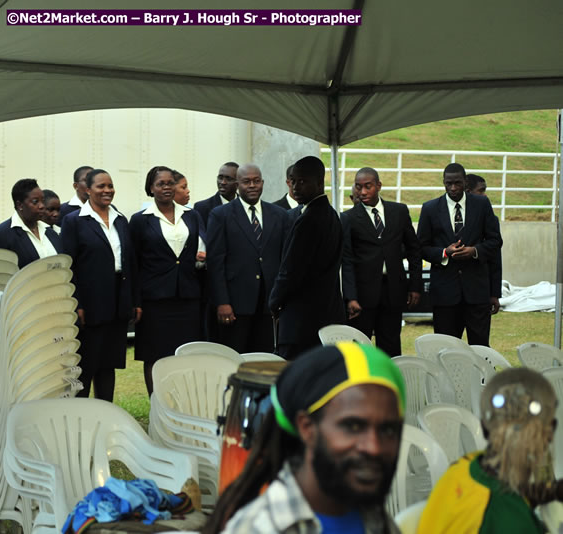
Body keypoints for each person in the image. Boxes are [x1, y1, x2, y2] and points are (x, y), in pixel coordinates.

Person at [205, 342, 404, 533]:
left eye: (388, 430)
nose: (374, 447)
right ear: (307, 427)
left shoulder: (374, 518)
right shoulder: (261, 528)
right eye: (353, 426)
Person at [417, 368, 556, 534]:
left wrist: (543, 493)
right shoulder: (514, 522)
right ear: (551, 432)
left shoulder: (462, 467)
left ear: (483, 427)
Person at [61, 169, 139, 402]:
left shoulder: (120, 219)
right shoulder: (74, 221)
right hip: (90, 302)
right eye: (101, 186)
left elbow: (130, 262)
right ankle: (80, 417)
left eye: (110, 186)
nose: (107, 191)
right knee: (87, 364)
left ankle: (106, 412)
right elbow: (68, 266)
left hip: (117, 301)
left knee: (109, 364)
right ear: (87, 190)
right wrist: (77, 305)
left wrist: (134, 301)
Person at [129, 166, 203, 395]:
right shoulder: (140, 220)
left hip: (187, 297)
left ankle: (183, 403)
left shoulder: (191, 215)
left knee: (185, 355)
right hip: (154, 300)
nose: (167, 187)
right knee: (154, 355)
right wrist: (136, 301)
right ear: (151, 188)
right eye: (161, 183)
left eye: (170, 183)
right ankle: (157, 406)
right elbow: (133, 263)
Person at [416, 163, 502, 346]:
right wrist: (444, 252)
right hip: (445, 295)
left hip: (477, 293)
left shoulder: (482, 204)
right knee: (446, 349)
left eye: (457, 183)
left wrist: (475, 251)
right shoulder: (430, 209)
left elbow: (495, 242)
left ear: (465, 182)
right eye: (448, 184)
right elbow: (421, 247)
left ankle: (481, 377)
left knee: (480, 348)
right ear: (443, 183)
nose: (453, 188)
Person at [207, 163, 288, 353]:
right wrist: (222, 302)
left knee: (264, 358)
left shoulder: (279, 215)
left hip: (268, 304)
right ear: (237, 184)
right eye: (246, 181)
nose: (252, 185)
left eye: (256, 181)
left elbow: (285, 260)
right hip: (236, 305)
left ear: (262, 183)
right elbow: (215, 262)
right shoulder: (221, 215)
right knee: (234, 357)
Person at [269, 156, 345, 360]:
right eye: (292, 181)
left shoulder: (309, 220)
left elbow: (291, 270)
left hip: (301, 321)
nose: (295, 187)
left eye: (302, 181)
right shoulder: (331, 215)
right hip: (325, 315)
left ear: (319, 182)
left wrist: (274, 300)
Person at [341, 167, 422, 357]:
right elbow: (347, 260)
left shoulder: (399, 211)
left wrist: (415, 286)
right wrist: (351, 296)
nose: (362, 192)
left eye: (367, 187)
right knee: (361, 349)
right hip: (363, 296)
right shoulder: (348, 218)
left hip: (394, 291)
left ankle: (390, 385)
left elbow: (414, 249)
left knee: (391, 346)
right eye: (358, 187)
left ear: (378, 186)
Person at [0, 179, 61, 268]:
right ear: (20, 205)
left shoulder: (49, 232)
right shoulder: (1, 235)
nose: (42, 206)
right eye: (35, 202)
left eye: (43, 201)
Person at [466, 173, 502, 316]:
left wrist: (494, 293)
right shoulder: (443, 213)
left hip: (480, 293)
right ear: (468, 192)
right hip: (451, 295)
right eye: (481, 191)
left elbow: (495, 257)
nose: (485, 196)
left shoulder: (491, 219)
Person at [194, 162, 239, 230]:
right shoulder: (202, 208)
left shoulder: (246, 206)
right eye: (220, 178)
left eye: (228, 179)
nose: (223, 182)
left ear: (238, 182)